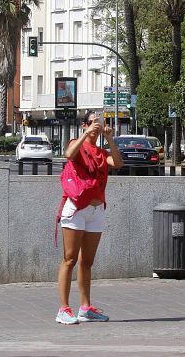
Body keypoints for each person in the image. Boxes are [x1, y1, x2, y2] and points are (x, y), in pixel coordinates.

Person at [55, 111, 123, 325]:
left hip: (96, 211)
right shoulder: (78, 142)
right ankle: (64, 309)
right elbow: (69, 154)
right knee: (70, 259)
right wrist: (85, 135)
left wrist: (110, 138)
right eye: (93, 122)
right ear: (84, 125)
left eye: (99, 124)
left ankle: (85, 308)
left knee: (87, 261)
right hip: (76, 208)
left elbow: (118, 163)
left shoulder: (102, 152)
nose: (97, 126)